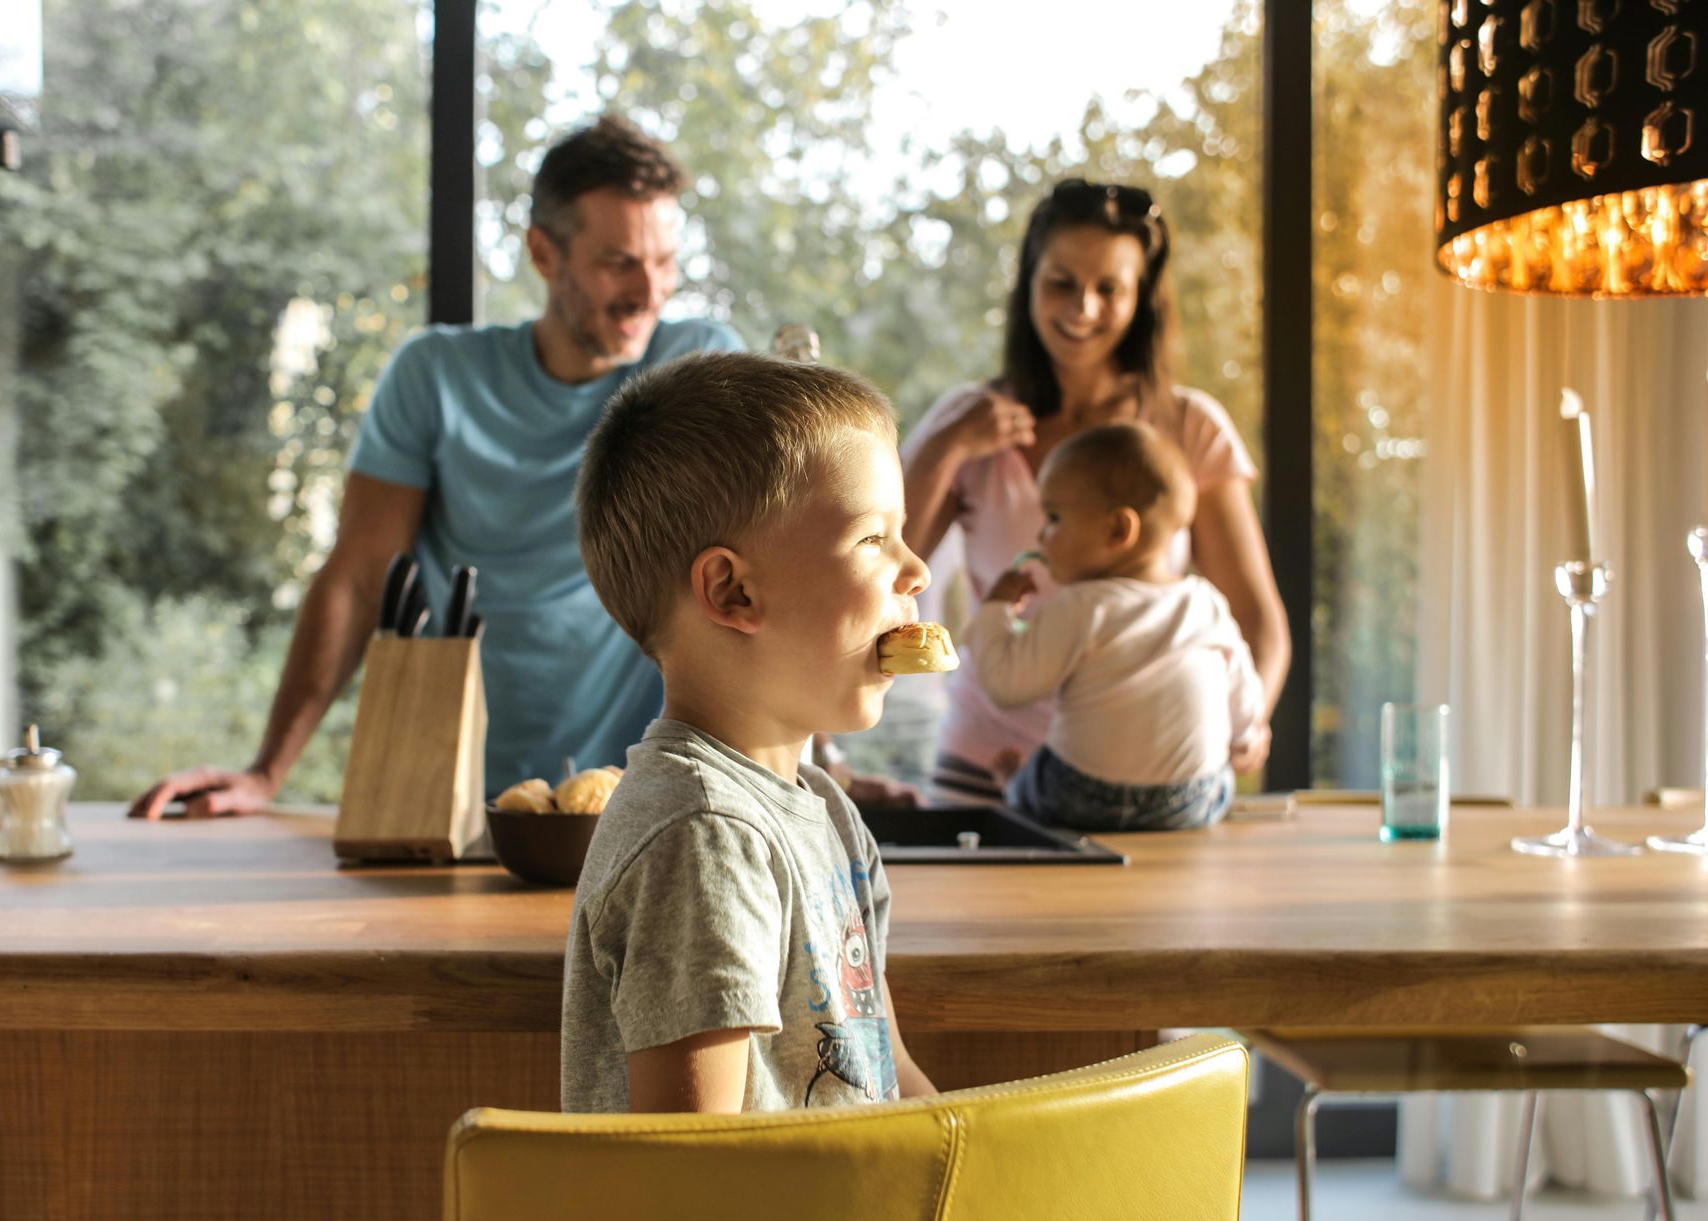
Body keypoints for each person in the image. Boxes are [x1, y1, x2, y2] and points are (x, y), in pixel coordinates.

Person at [129, 115, 744, 819]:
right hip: (447, 795)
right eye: (618, 262)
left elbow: (765, 572)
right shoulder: (436, 375)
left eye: (664, 261)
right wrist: (265, 773)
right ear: (544, 254)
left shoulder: (697, 367)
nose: (648, 288)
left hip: (646, 804)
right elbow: (360, 579)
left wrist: (827, 765)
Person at [561, 352, 938, 1113]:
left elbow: (886, 1073)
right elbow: (700, 1180)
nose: (917, 569)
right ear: (733, 591)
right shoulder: (704, 836)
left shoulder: (827, 812)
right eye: (874, 539)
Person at [900, 179, 1288, 798]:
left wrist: (1248, 721)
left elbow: (1256, 619)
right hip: (984, 765)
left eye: (1109, 289)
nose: (1082, 308)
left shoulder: (1191, 428)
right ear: (1029, 281)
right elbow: (885, 572)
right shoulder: (969, 423)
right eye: (1061, 282)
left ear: (1141, 300)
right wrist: (945, 447)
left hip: (1143, 781)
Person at [966, 422, 1263, 832]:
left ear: (1118, 530)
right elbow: (1243, 686)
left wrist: (995, 611)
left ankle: (1016, 785)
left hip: (1080, 795)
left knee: (1032, 782)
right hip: (1191, 799)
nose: (1040, 535)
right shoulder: (1206, 603)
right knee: (1222, 780)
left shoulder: (1082, 607)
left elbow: (1006, 684)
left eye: (1053, 517)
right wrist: (1245, 735)